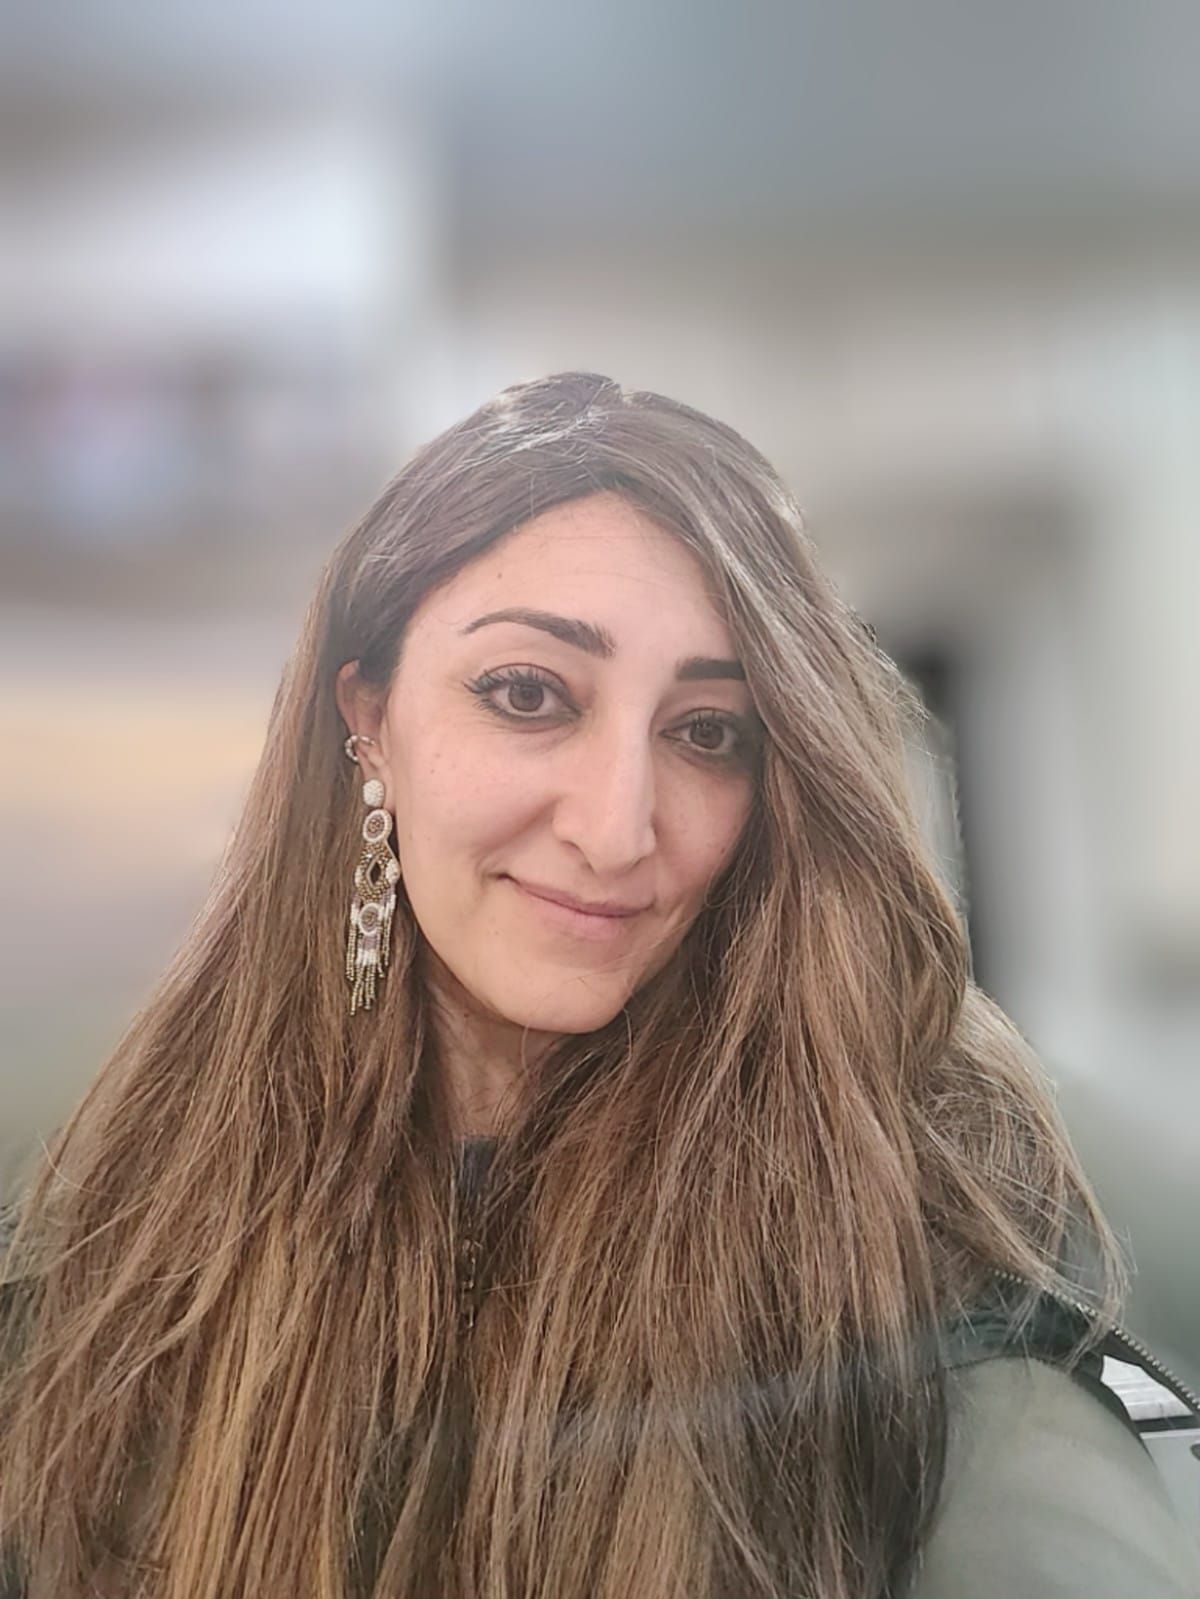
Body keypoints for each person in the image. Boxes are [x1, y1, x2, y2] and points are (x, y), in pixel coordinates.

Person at [1, 371, 1197, 1598]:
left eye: (707, 732)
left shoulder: (900, 1210)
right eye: (529, 695)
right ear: (368, 717)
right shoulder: (114, 1216)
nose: (620, 827)